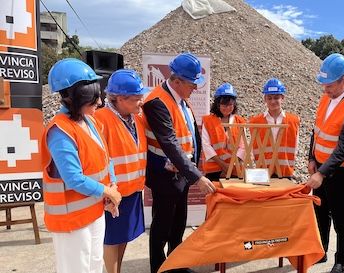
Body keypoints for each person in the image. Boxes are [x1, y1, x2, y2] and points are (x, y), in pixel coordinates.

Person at [41, 58, 122, 273]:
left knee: (94, 266)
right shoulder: (60, 132)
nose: (100, 103)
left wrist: (111, 189)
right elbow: (73, 178)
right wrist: (107, 192)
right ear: (75, 99)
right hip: (72, 222)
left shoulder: (89, 121)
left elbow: (106, 157)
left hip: (94, 212)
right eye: (93, 99)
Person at [142, 52, 216, 273]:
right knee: (162, 225)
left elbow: (190, 134)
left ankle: (177, 263)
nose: (196, 88)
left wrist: (192, 169)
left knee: (178, 223)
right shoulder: (156, 102)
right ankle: (158, 266)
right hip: (164, 176)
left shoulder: (181, 100)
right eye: (192, 84)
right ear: (176, 81)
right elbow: (169, 142)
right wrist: (197, 176)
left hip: (180, 174)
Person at [305, 53, 344, 273]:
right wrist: (312, 158)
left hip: (341, 172)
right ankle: (321, 250)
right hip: (320, 166)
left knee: (341, 216)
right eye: (323, 85)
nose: (325, 89)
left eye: (329, 85)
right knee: (320, 211)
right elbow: (317, 131)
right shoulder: (326, 98)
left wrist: (321, 173)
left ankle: (340, 260)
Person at [94, 69, 149, 273]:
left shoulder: (136, 117)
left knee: (124, 235)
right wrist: (106, 191)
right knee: (111, 239)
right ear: (119, 98)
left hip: (133, 189)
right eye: (136, 98)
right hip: (113, 192)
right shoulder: (101, 118)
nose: (140, 102)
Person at [249, 78, 300, 178]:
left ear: (282, 98)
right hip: (263, 172)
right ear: (265, 99)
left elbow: (296, 146)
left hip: (285, 171)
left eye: (276, 98)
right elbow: (251, 147)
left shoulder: (293, 120)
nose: (273, 101)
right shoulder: (255, 122)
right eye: (269, 98)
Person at [201, 83, 246, 181]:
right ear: (217, 104)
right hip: (214, 170)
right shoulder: (208, 121)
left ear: (234, 104)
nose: (227, 108)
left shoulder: (240, 121)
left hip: (234, 169)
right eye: (224, 104)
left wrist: (231, 165)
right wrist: (223, 165)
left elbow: (243, 146)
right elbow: (206, 146)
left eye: (230, 104)